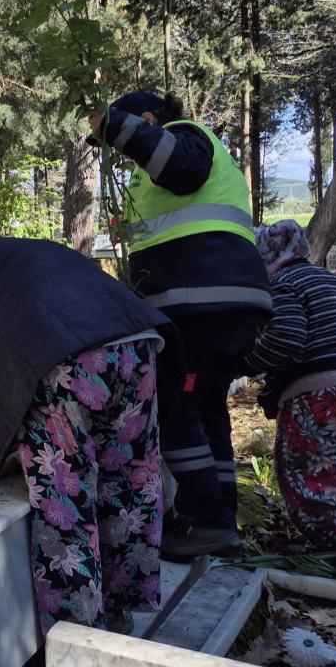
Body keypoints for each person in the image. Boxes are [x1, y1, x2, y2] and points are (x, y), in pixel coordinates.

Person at [0, 235, 173, 634]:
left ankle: (78, 639)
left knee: (66, 501)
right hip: (137, 345)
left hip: (65, 363)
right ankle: (117, 613)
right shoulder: (21, 253)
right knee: (126, 483)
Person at [88, 91, 272, 560]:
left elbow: (181, 168)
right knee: (207, 409)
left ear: (148, 120)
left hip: (200, 305)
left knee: (176, 410)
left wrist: (112, 124)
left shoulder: (184, 136)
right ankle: (220, 518)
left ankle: (206, 521)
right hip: (220, 304)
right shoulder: (164, 166)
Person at [240, 221, 336, 551]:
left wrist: (243, 364)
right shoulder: (331, 280)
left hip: (326, 391)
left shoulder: (282, 283)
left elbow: (286, 339)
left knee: (311, 479)